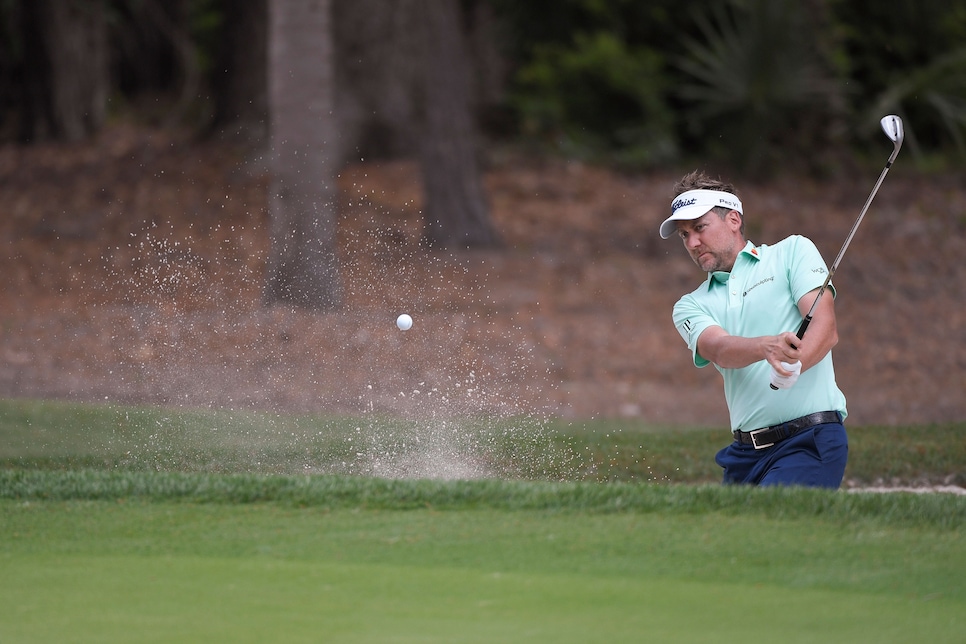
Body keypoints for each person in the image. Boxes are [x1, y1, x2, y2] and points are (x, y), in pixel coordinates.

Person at [660, 170, 848, 489]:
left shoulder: (791, 253)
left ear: (733, 219)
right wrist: (766, 347)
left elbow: (825, 327)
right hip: (744, 455)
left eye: (700, 228)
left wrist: (796, 363)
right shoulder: (690, 305)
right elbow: (718, 349)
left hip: (809, 441)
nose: (692, 242)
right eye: (684, 235)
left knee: (776, 529)